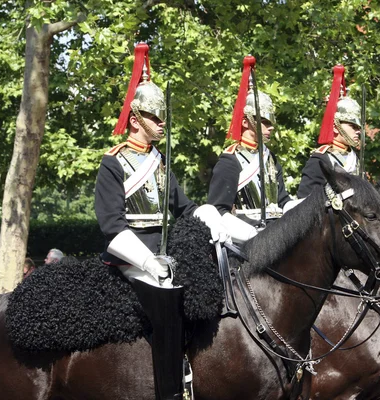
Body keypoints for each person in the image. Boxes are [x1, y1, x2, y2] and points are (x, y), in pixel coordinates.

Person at [95, 43, 227, 400]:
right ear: (135, 120)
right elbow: (111, 226)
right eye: (155, 117)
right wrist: (148, 261)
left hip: (165, 257)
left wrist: (208, 213)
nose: (161, 122)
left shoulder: (159, 161)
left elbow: (181, 207)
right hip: (131, 259)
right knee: (165, 300)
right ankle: (169, 389)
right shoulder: (114, 163)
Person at [207, 55, 297, 233]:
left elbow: (282, 201)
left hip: (277, 233)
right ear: (246, 121)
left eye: (271, 122)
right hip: (247, 236)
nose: (270, 127)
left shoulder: (269, 156)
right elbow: (218, 210)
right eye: (264, 122)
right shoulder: (230, 161)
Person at [297, 64, 361, 199]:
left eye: (359, 128)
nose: (358, 131)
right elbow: (305, 201)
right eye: (353, 126)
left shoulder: (355, 158)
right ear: (335, 127)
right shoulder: (320, 159)